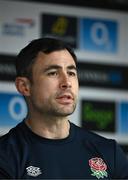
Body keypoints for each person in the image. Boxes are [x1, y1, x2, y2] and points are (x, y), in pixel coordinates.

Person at [0, 37, 128, 179]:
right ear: (24, 86)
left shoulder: (109, 151)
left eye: (71, 73)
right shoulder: (5, 155)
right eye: (53, 73)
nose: (67, 83)